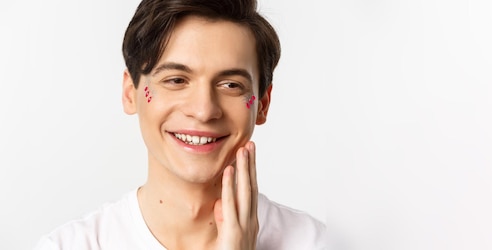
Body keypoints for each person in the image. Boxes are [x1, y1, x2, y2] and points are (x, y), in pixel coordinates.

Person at [34, 0, 325, 249]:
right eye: (176, 80)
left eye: (230, 85)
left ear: (262, 103)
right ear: (130, 93)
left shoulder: (316, 243)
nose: (203, 110)